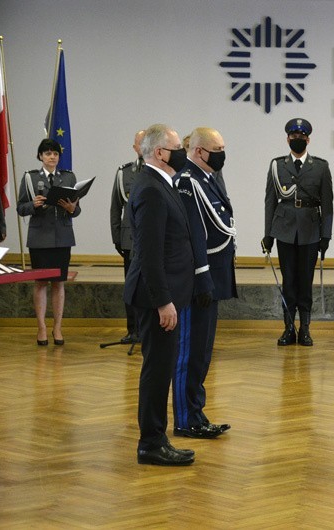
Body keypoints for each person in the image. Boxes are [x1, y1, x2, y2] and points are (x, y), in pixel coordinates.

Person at [123, 124, 195, 466]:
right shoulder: (150, 189)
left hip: (166, 294)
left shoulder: (160, 184)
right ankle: (151, 443)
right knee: (157, 370)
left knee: (162, 367)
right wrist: (164, 301)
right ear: (160, 153)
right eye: (178, 146)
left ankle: (157, 438)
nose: (183, 151)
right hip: (156, 298)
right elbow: (149, 253)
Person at [170, 127, 236, 439]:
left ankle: (196, 413)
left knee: (203, 352)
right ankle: (185, 419)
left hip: (214, 274)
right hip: (200, 278)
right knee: (190, 353)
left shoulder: (206, 179)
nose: (222, 153)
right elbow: (195, 233)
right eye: (217, 148)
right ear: (199, 151)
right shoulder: (187, 181)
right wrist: (203, 276)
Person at [263, 118, 333, 346]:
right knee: (288, 281)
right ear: (287, 139)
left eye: (302, 137)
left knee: (305, 282)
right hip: (284, 230)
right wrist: (268, 234)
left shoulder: (320, 167)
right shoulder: (277, 165)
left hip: (310, 231)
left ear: (308, 139)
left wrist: (326, 235)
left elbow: (327, 205)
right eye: (294, 137)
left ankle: (305, 329)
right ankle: (288, 328)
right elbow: (270, 202)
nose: (298, 140)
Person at [16, 139, 80, 346]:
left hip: (62, 237)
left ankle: (58, 327)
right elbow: (20, 208)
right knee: (41, 283)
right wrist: (32, 205)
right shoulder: (30, 178)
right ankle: (42, 327)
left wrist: (72, 209)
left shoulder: (69, 177)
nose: (52, 157)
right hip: (39, 239)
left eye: (55, 154)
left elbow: (77, 209)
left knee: (59, 283)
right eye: (47, 153)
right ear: (40, 156)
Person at [110, 130, 145, 344]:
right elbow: (116, 207)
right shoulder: (125, 173)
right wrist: (117, 238)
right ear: (135, 148)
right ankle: (133, 330)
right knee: (131, 286)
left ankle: (151, 329)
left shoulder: (163, 170)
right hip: (130, 239)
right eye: (140, 143)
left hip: (153, 240)